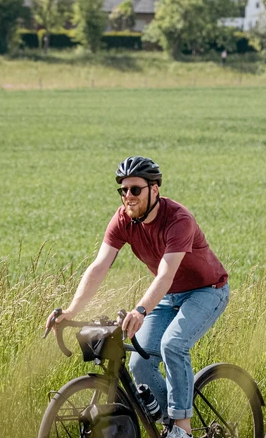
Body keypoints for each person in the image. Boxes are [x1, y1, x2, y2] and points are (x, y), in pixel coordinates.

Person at [47, 157, 230, 438]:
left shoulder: (178, 219)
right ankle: (169, 420)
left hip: (207, 290)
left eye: (135, 189)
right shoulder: (123, 219)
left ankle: (182, 430)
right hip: (169, 296)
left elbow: (166, 274)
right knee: (138, 361)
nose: (128, 196)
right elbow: (99, 266)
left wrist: (141, 310)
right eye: (123, 190)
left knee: (173, 344)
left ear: (154, 189)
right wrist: (71, 310)